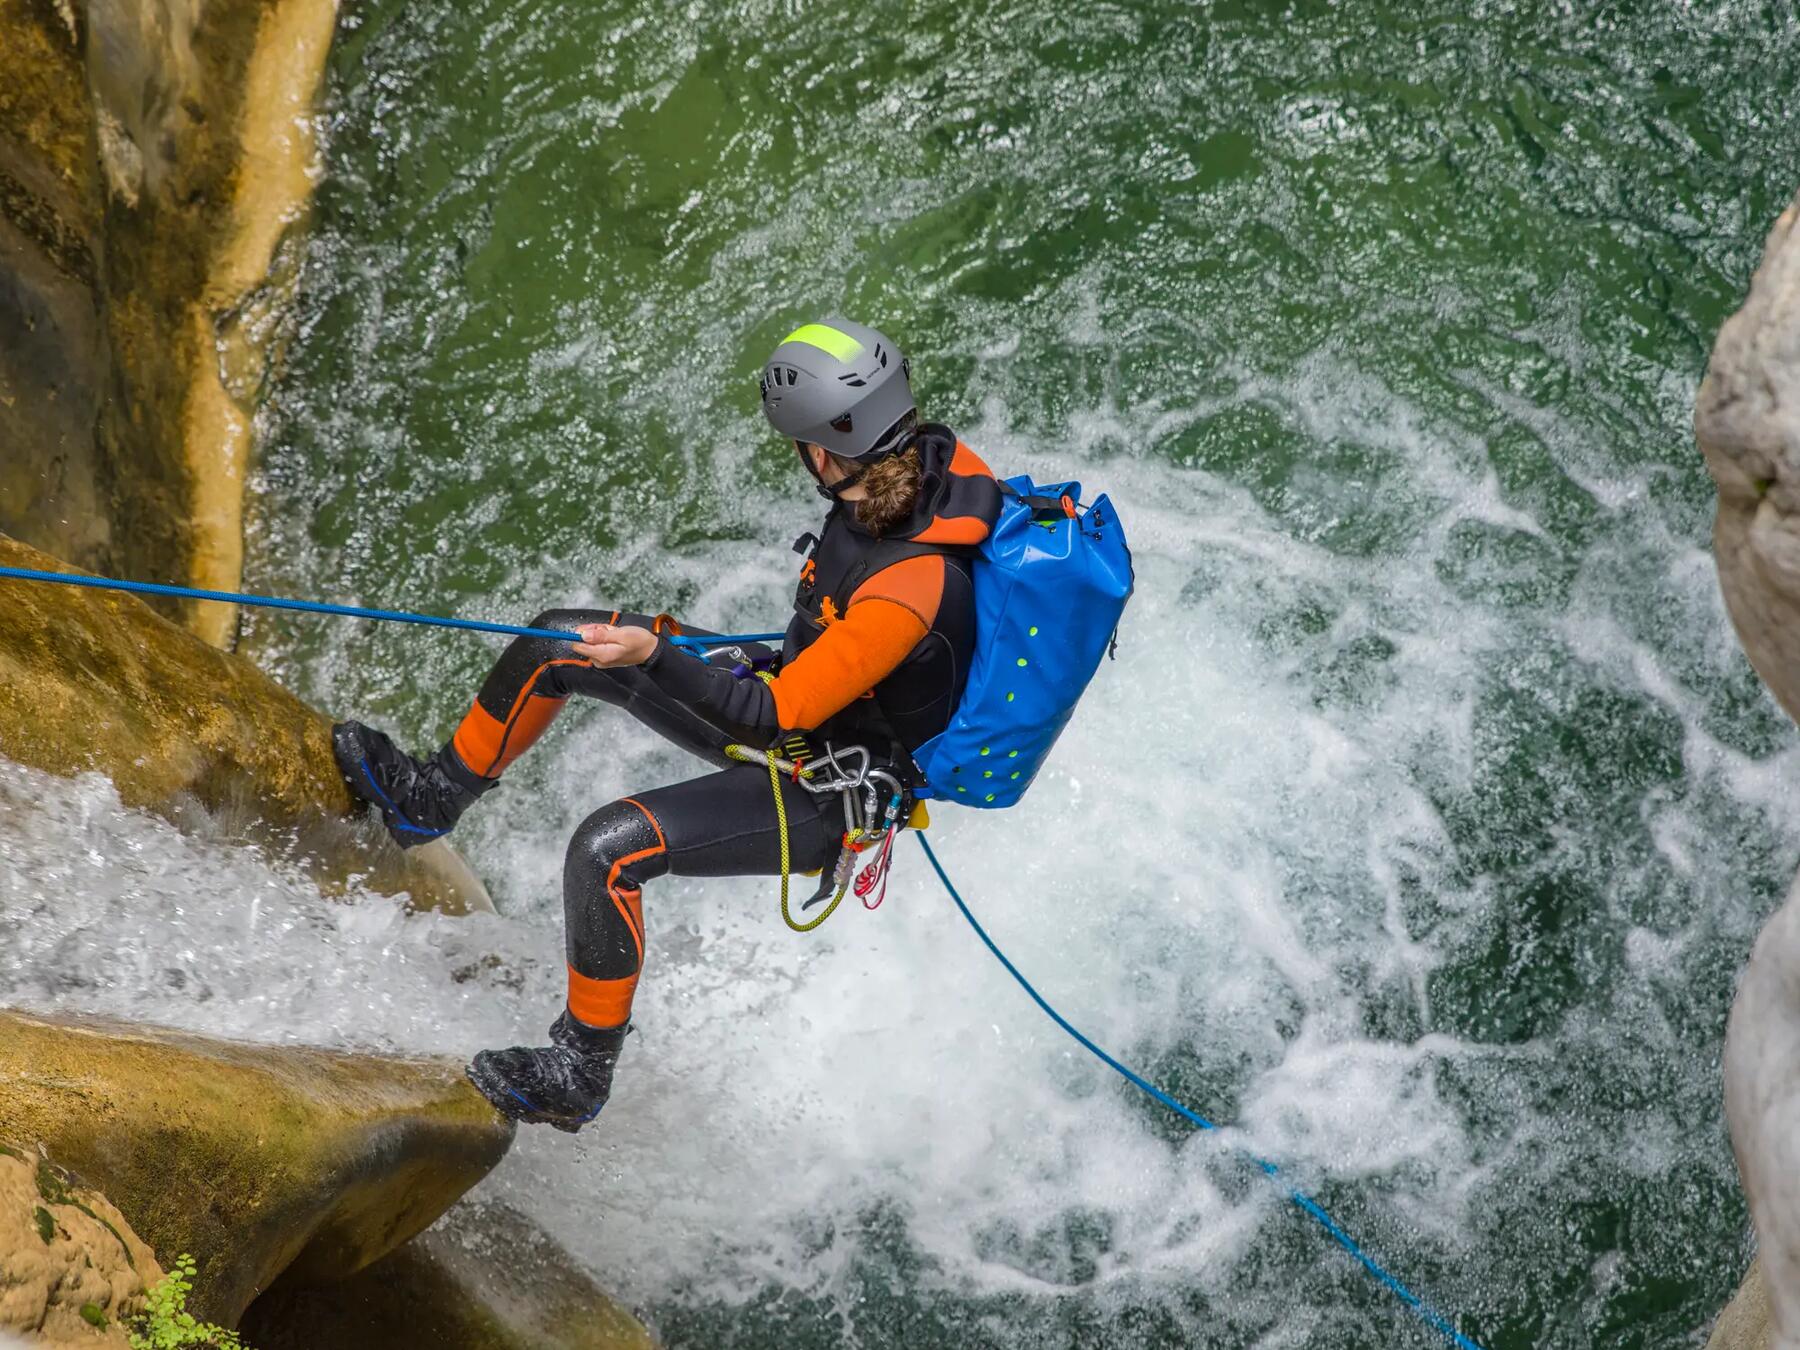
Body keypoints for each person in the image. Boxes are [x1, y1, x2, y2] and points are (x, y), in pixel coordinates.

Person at [332, 318, 1001, 1131]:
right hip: (800, 720)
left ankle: (580, 1070)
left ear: (824, 455)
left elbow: (773, 712)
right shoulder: (899, 477)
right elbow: (818, 660)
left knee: (610, 849)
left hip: (827, 792)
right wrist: (709, 656)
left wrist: (654, 652)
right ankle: (428, 800)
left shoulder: (913, 581)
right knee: (561, 642)